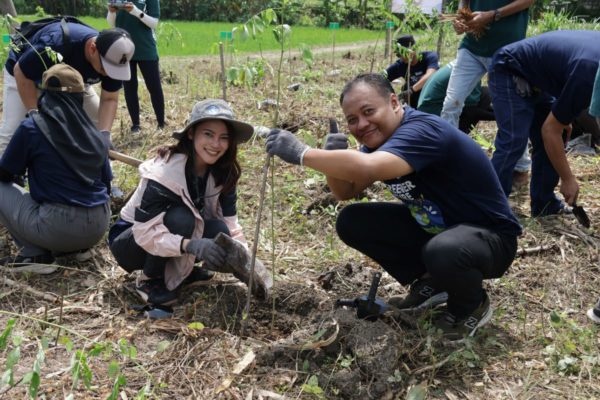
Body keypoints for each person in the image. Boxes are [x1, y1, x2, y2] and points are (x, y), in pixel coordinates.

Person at [265, 73, 522, 341]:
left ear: (394, 102)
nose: (361, 124)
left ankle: (471, 306)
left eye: (368, 111)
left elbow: (366, 167)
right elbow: (345, 191)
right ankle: (433, 283)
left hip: (491, 240)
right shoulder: (380, 142)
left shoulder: (421, 131)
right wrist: (332, 161)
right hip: (441, 230)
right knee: (352, 220)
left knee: (444, 250)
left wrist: (303, 153)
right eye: (352, 120)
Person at [108, 99, 263, 306]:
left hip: (171, 233)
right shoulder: (164, 174)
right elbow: (144, 233)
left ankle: (181, 271)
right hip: (132, 241)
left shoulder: (223, 172)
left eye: (223, 138)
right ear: (191, 134)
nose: (216, 145)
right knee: (183, 218)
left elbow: (231, 224)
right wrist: (192, 245)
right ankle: (150, 280)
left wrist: (246, 261)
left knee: (219, 229)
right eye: (208, 134)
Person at [0, 64, 112, 268]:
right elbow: (107, 183)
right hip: (99, 224)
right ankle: (79, 249)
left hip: (59, 226)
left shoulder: (32, 127)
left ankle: (35, 256)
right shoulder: (95, 133)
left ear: (45, 94)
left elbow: (5, 174)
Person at [488, 30, 600, 217]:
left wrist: (564, 116)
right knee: (514, 141)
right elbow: (550, 130)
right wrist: (567, 179)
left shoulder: (590, 70)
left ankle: (544, 204)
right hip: (510, 69)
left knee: (560, 132)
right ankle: (489, 208)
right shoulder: (588, 73)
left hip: (540, 76)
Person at [0, 22, 135, 155]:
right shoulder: (56, 44)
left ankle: (92, 169)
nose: (108, 74)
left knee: (97, 123)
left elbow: (110, 99)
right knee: (14, 129)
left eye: (114, 70)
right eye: (105, 68)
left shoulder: (114, 60)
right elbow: (21, 71)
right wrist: (34, 114)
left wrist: (104, 133)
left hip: (73, 81)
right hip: (26, 75)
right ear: (92, 49)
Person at [107, 0, 165, 133]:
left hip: (146, 48)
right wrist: (111, 12)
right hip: (124, 46)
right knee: (129, 87)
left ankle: (161, 124)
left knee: (154, 86)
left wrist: (135, 11)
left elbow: (154, 23)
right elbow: (112, 23)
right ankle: (135, 125)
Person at [417, 60, 494, 134]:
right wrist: (497, 116)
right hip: (433, 114)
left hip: (428, 108)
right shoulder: (471, 71)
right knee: (484, 96)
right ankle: (459, 136)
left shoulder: (466, 61)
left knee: (484, 93)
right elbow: (471, 107)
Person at [385, 34, 439, 108]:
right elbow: (382, 77)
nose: (401, 57)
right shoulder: (400, 65)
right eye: (398, 55)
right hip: (414, 104)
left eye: (402, 53)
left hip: (432, 99)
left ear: (413, 50)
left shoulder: (429, 57)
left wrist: (411, 90)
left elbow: (430, 75)